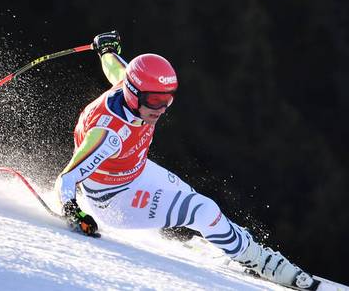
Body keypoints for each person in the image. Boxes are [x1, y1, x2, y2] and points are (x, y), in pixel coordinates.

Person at [55, 30, 319, 290]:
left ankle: (238, 247)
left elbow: (116, 70)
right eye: (155, 100)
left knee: (195, 201)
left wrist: (105, 50)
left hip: (136, 171)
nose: (161, 109)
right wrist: (73, 212)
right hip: (113, 200)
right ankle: (260, 262)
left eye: (168, 99)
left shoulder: (130, 89)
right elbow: (67, 179)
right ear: (134, 94)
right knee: (200, 210)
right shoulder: (108, 134)